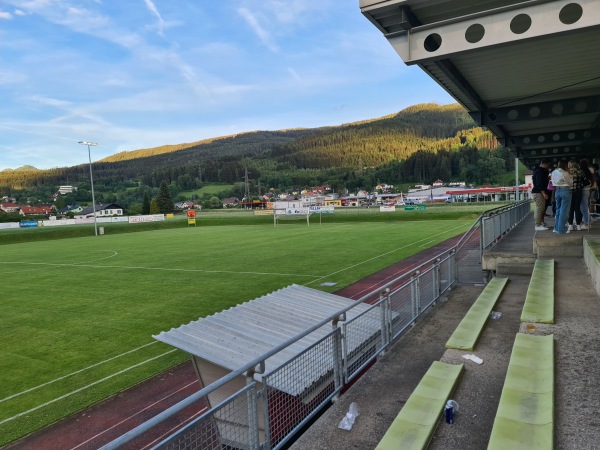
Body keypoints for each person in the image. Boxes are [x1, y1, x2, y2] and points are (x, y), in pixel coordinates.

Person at [551, 159, 572, 234]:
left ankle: (556, 228)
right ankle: (561, 229)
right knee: (564, 210)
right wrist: (570, 174)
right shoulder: (565, 173)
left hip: (557, 190)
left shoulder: (553, 172)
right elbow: (570, 183)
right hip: (565, 190)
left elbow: (552, 182)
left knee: (558, 210)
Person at [531, 159, 551, 230]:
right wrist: (544, 193)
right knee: (539, 208)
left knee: (542, 209)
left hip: (539, 192)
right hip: (539, 192)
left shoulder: (540, 171)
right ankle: (537, 225)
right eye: (548, 165)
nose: (548, 167)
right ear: (543, 163)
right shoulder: (539, 171)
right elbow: (539, 183)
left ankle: (541, 223)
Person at [566, 160, 584, 233]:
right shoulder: (580, 172)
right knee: (577, 208)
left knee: (571, 209)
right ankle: (578, 225)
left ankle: (570, 225)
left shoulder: (568, 173)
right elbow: (583, 182)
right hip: (579, 192)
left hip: (570, 192)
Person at [579, 158, 596, 228]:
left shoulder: (582, 172)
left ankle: (587, 222)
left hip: (583, 190)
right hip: (588, 190)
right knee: (584, 206)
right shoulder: (589, 171)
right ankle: (587, 220)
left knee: (583, 207)